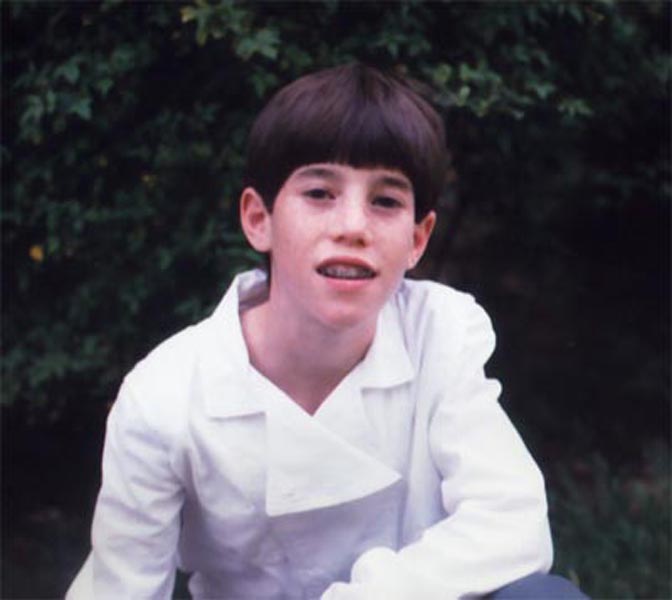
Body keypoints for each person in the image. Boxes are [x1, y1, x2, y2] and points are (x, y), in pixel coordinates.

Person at [67, 64, 587, 599]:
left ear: (417, 239)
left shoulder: (437, 334)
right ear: (259, 219)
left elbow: (514, 522)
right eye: (319, 193)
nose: (353, 227)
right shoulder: (166, 394)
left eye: (385, 201)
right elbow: (120, 586)